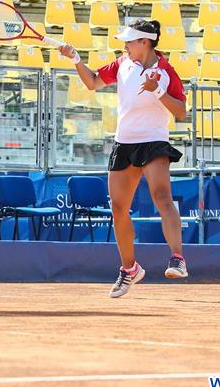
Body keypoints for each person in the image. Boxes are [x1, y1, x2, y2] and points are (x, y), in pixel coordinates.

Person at [58, 20, 188, 298]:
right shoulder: (122, 64)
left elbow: (181, 113)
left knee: (163, 197)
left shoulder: (166, 72)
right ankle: (129, 269)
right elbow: (93, 82)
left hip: (153, 141)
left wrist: (158, 91)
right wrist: (76, 60)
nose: (125, 45)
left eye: (130, 41)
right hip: (124, 143)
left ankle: (177, 258)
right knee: (118, 209)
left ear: (145, 42)